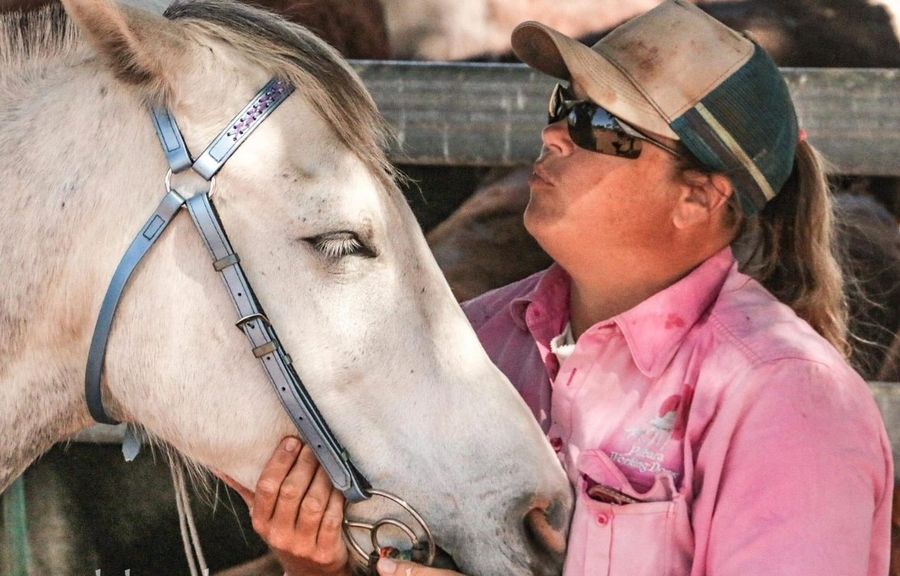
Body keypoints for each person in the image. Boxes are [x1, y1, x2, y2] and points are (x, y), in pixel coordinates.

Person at [219, 1, 894, 574]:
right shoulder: (467, 342)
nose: (554, 135)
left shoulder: (788, 401)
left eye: (600, 125)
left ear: (698, 198)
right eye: (562, 103)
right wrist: (319, 561)